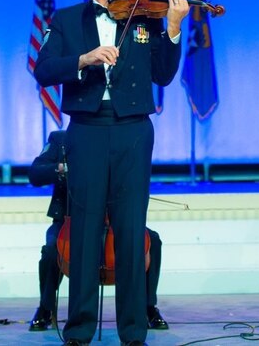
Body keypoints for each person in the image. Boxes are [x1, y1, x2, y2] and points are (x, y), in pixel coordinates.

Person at [34, 0, 188, 346]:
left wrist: (172, 29)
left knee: (130, 228)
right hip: (86, 129)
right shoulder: (67, 20)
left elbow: (164, 75)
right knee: (83, 229)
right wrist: (83, 59)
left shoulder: (143, 16)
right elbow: (44, 70)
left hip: (133, 130)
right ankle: (79, 330)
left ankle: (133, 332)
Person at [26, 130, 168, 333]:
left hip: (114, 219)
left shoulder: (115, 139)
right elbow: (35, 173)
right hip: (71, 219)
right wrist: (63, 168)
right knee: (51, 249)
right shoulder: (60, 140)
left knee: (152, 241)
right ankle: (46, 309)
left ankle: (148, 307)